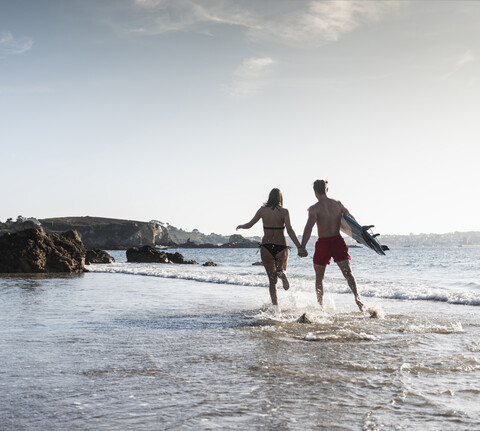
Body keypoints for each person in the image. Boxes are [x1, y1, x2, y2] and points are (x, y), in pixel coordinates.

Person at [299, 180, 364, 311]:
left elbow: (308, 228)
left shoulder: (314, 209)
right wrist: (359, 236)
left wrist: (302, 246)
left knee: (319, 277)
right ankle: (357, 297)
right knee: (348, 273)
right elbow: (350, 219)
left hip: (323, 243)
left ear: (315, 192)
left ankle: (320, 305)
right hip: (337, 241)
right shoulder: (338, 204)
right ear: (327, 190)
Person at [236, 188, 306, 307]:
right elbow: (289, 230)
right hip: (281, 245)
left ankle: (275, 308)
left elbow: (250, 224)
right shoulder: (284, 211)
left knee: (272, 281)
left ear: (269, 197)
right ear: (280, 198)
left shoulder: (262, 210)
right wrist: (299, 246)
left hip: (266, 247)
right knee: (280, 270)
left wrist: (241, 226)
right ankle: (283, 273)